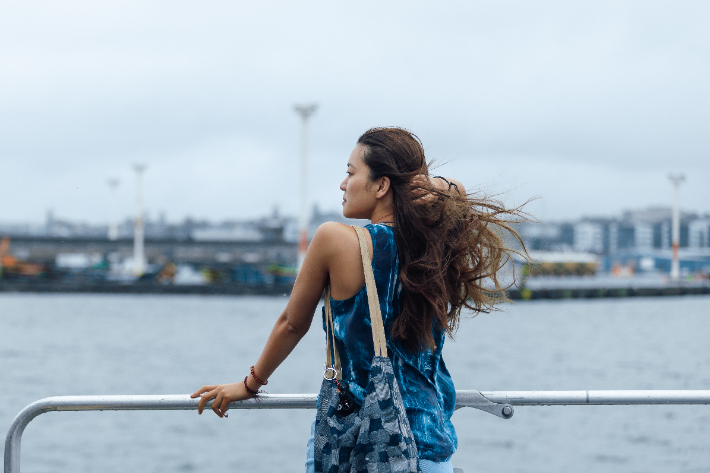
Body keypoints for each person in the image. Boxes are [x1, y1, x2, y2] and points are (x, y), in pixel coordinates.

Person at [191, 127, 526, 472]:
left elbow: (291, 324)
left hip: (354, 447)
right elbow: (454, 188)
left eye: (350, 173)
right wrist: (410, 185)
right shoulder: (433, 241)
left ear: (382, 186)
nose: (342, 184)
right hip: (429, 442)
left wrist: (250, 384)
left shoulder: (336, 240)